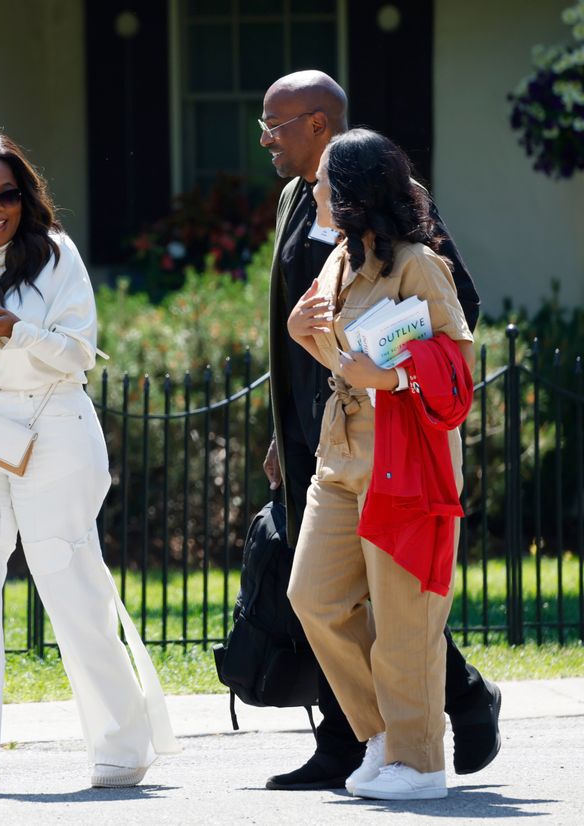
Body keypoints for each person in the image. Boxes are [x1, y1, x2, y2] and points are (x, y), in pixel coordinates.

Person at [0, 129, 178, 796]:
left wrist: (19, 332)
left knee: (69, 578)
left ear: (25, 196)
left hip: (55, 422)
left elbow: (79, 353)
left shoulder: (56, 257)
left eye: (8, 195)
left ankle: (122, 744)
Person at [260, 71, 501, 791]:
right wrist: (308, 337)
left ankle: (418, 760)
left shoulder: (419, 262)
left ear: (358, 189)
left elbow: (455, 362)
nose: (317, 196)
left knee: (404, 622)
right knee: (316, 597)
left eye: (329, 185)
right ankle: (381, 738)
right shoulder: (338, 258)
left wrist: (393, 378)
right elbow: (343, 353)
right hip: (337, 454)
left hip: (402, 455)